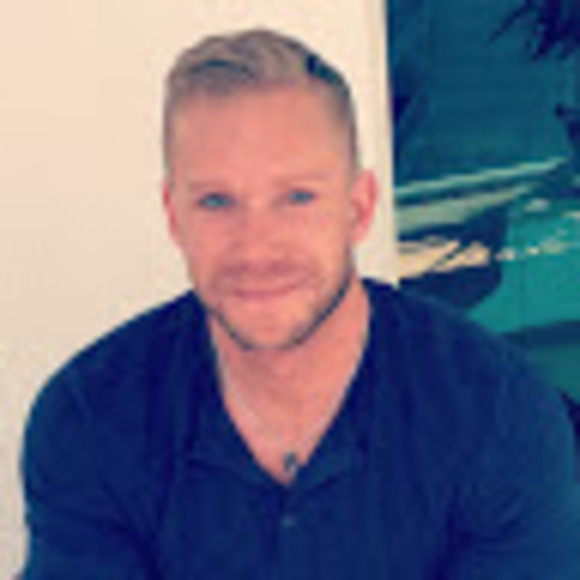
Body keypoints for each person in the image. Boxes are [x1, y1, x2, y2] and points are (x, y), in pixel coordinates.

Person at [20, 28, 580, 579]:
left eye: (297, 197)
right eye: (216, 201)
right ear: (174, 216)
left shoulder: (497, 415)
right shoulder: (92, 417)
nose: (256, 248)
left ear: (359, 208)